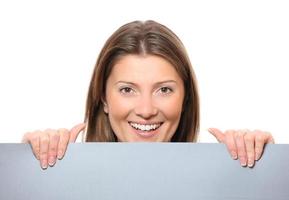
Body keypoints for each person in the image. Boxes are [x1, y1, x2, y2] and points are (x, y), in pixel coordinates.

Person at [22, 20, 274, 170]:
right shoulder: (66, 182)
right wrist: (28, 168)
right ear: (103, 98)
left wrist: (264, 171)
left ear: (185, 98)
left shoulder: (222, 184)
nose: (146, 110)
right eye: (127, 90)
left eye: (164, 90)